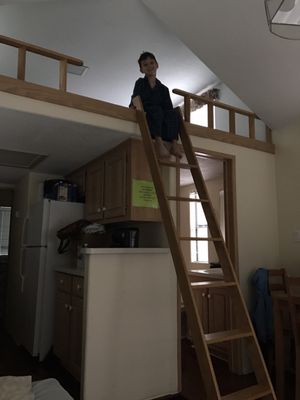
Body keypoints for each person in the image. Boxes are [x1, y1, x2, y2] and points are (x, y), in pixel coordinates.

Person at [129, 51, 182, 158]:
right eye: (145, 64)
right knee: (156, 110)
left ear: (157, 65)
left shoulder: (163, 89)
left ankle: (174, 143)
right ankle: (158, 142)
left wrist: (168, 114)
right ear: (141, 69)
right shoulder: (140, 83)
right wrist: (132, 108)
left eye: (152, 63)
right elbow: (135, 99)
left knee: (173, 113)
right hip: (147, 113)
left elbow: (168, 107)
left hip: (160, 115)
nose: (149, 66)